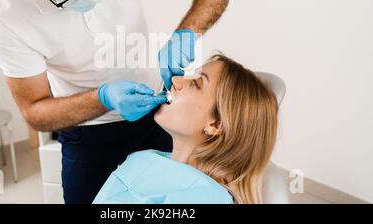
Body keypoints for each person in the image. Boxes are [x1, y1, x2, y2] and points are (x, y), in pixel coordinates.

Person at [0, 0, 233, 203]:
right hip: (88, 137)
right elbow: (35, 112)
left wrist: (187, 33)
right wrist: (100, 98)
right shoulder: (5, 13)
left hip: (158, 118)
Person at [94, 53, 278, 204]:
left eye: (196, 84)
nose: (175, 79)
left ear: (215, 125)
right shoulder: (146, 157)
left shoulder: (208, 199)